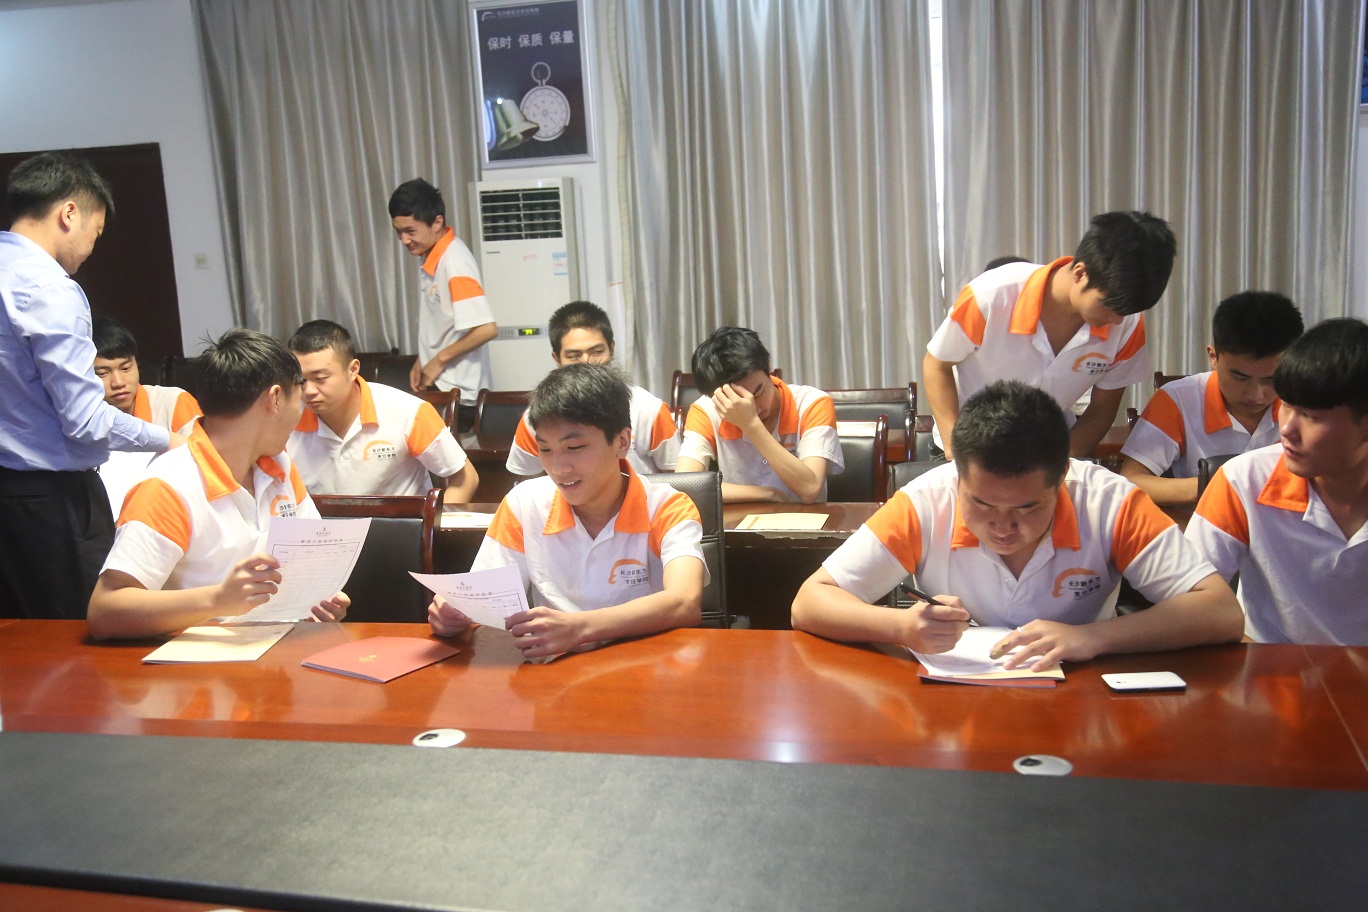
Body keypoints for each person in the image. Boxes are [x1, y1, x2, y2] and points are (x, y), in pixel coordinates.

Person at [792, 381, 1242, 671]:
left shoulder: (1109, 501)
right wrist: (899, 627)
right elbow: (809, 602)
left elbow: (1220, 611)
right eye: (982, 504)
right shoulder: (926, 500)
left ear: (1063, 477)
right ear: (958, 477)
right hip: (953, 695)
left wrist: (1091, 638)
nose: (1003, 527)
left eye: (1027, 508)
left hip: (1082, 695)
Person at [0, 152, 180, 619]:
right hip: (48, 500)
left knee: (16, 640)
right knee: (79, 632)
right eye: (95, 233)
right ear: (69, 213)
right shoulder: (49, 288)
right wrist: (169, 439)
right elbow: (83, 421)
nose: (90, 248)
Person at [428, 363, 706, 659]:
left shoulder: (667, 506)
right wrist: (456, 613)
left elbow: (685, 601)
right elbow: (483, 599)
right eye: (545, 450)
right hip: (555, 668)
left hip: (645, 664)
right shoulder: (524, 503)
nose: (559, 469)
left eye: (574, 448)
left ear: (622, 442)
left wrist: (581, 628)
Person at [87, 330, 348, 640]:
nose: (301, 410)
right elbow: (105, 612)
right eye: (299, 393)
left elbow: (311, 561)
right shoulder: (168, 485)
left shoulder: (279, 464)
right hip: (202, 661)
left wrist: (317, 597)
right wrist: (218, 599)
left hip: (281, 647)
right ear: (276, 398)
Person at [924, 211, 1176, 460]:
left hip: (1049, 452)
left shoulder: (1128, 325)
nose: (1117, 320)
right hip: (971, 450)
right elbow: (936, 365)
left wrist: (1060, 465)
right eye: (1109, 305)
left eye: (1127, 311)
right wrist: (955, 448)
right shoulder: (991, 295)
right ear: (1080, 273)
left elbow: (1102, 409)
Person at [1185, 319, 1368, 645]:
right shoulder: (1244, 480)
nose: (1287, 429)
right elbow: (1186, 600)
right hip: (1269, 668)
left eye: (1311, 417)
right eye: (1286, 407)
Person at [1121, 292, 1303, 506]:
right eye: (1240, 378)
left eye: (1271, 380)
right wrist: (1221, 486)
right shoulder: (1178, 400)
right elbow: (1131, 480)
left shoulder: (1308, 404)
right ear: (1214, 357)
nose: (1256, 395)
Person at [287, 319, 478, 502]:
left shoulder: (408, 411)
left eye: (320, 378)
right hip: (320, 524)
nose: (308, 391)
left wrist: (433, 522)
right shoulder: (285, 420)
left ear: (353, 369)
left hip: (399, 523)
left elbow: (465, 479)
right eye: (301, 380)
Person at [506, 301, 678, 476]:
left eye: (597, 352)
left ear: (611, 348)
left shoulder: (649, 409)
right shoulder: (536, 416)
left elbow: (677, 478)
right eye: (574, 356)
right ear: (556, 358)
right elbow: (525, 477)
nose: (587, 362)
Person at [675, 326, 844, 503]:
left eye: (758, 393)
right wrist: (768, 494)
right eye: (735, 401)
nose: (752, 407)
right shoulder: (706, 411)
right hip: (738, 520)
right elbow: (686, 487)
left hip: (805, 519)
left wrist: (751, 425)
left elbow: (810, 488)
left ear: (768, 369)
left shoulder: (812, 403)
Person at [388, 178, 496, 432]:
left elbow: (487, 329)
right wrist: (422, 359)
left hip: (458, 392)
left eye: (410, 231)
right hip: (443, 384)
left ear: (437, 223)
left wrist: (438, 360)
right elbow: (442, 324)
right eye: (399, 232)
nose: (404, 240)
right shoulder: (432, 256)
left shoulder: (454, 262)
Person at [92, 315, 203, 511]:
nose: (118, 382)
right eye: (102, 373)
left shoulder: (172, 402)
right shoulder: (79, 421)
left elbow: (204, 465)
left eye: (126, 368)